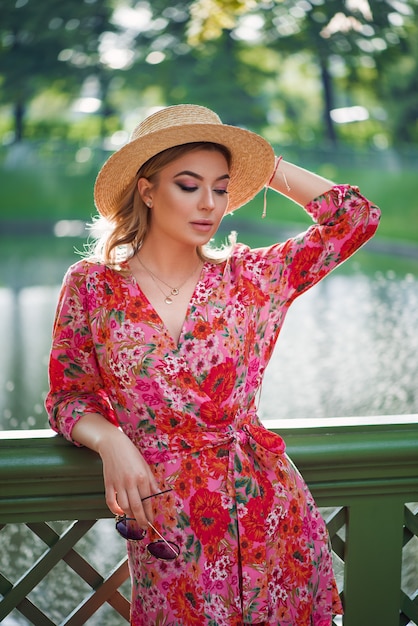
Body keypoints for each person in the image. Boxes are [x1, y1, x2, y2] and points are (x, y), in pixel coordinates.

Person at [46, 103, 380, 626]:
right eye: (188, 184)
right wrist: (112, 441)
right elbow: (69, 398)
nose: (209, 204)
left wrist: (265, 166)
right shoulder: (93, 287)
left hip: (269, 516)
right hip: (169, 531)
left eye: (221, 187)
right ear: (147, 189)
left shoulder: (251, 278)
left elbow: (355, 219)